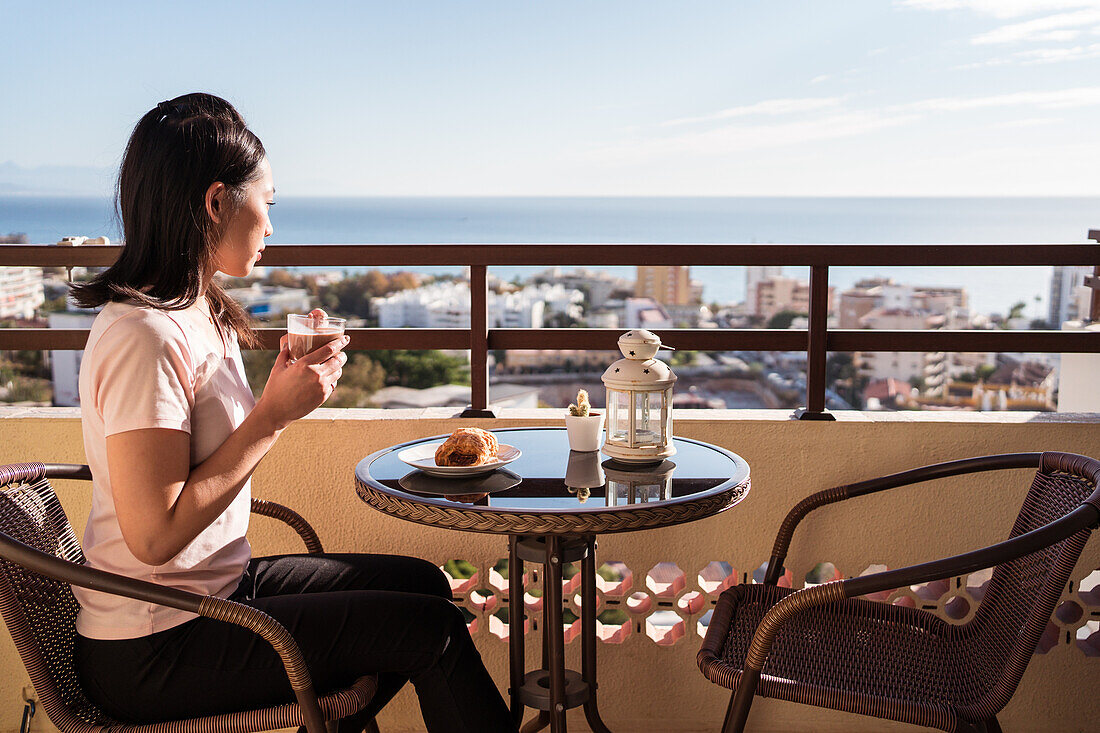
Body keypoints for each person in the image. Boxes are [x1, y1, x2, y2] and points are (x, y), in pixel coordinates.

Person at [69, 93, 516, 733]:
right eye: (267, 204)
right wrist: (272, 417)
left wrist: (281, 391)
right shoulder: (144, 336)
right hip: (154, 640)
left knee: (425, 585)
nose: (272, 227)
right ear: (216, 202)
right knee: (430, 629)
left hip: (211, 593)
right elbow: (154, 537)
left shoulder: (200, 313)